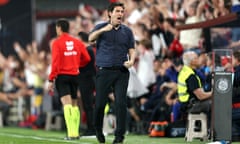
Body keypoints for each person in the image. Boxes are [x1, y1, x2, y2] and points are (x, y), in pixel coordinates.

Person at [88, 2, 136, 144]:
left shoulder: (127, 31)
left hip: (121, 71)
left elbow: (132, 48)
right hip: (104, 71)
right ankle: (97, 129)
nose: (120, 14)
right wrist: (104, 29)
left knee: (121, 103)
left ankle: (119, 136)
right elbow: (90, 38)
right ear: (110, 13)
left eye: (122, 11)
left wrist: (132, 60)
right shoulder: (100, 27)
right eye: (117, 11)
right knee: (100, 104)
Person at [47, 18, 90, 140]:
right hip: (75, 75)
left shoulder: (57, 43)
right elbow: (86, 58)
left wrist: (51, 79)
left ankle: (71, 133)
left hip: (63, 76)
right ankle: (75, 133)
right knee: (75, 105)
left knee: (67, 104)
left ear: (59, 28)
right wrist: (76, 64)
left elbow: (55, 62)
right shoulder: (77, 42)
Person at [177, 51, 212, 118]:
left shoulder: (184, 70)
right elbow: (201, 96)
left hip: (185, 104)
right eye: (197, 58)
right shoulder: (190, 76)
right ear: (192, 62)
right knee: (215, 104)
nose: (199, 59)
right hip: (191, 106)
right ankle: (213, 127)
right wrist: (213, 93)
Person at [77, 31, 96, 136]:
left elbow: (84, 65)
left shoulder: (87, 50)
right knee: (87, 105)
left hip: (87, 80)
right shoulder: (88, 50)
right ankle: (90, 127)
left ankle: (91, 128)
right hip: (86, 80)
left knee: (88, 105)